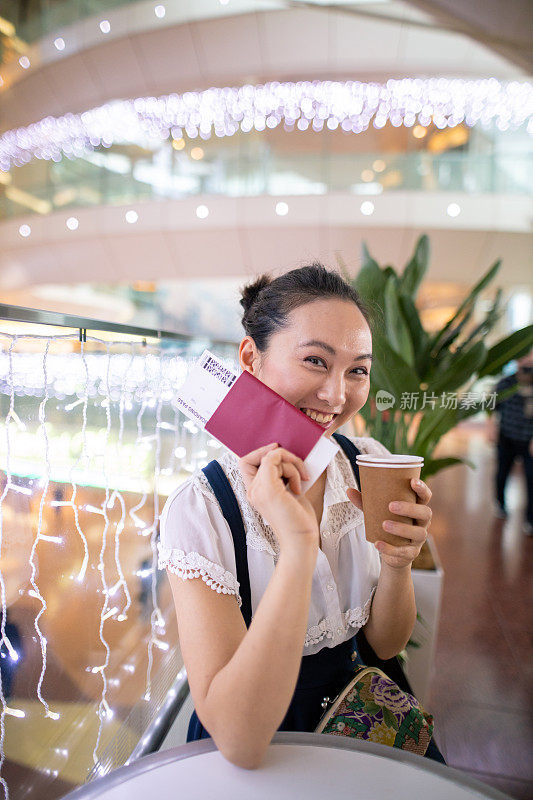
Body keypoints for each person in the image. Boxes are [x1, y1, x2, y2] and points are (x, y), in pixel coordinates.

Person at [158, 264, 443, 769]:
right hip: (262, 743)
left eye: (357, 370)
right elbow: (240, 742)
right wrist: (296, 546)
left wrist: (398, 561)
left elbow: (384, 642)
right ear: (251, 357)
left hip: (361, 718)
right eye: (315, 361)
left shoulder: (364, 462)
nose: (337, 396)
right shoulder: (203, 510)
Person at [490, 350, 533, 534]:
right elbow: (492, 406)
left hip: (529, 441)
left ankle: (530, 520)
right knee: (502, 473)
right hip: (506, 437)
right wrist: (490, 427)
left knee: (531, 479)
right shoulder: (506, 383)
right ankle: (500, 503)